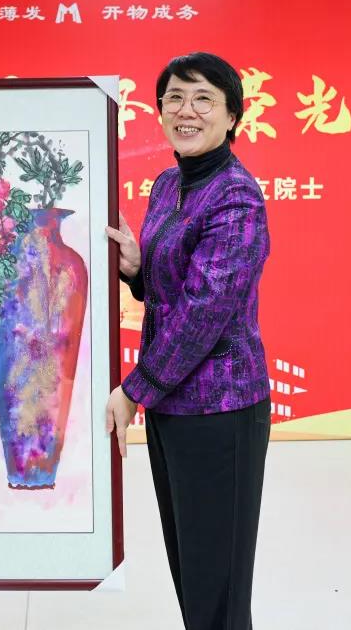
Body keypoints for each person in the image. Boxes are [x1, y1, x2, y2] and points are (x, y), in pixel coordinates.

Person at [105, 52, 271, 630]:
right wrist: (136, 270)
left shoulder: (236, 197)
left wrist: (136, 389)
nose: (186, 111)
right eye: (174, 97)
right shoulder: (168, 184)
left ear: (232, 116)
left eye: (204, 99)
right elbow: (174, 286)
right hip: (174, 406)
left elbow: (206, 310)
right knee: (193, 569)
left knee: (218, 584)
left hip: (221, 410)